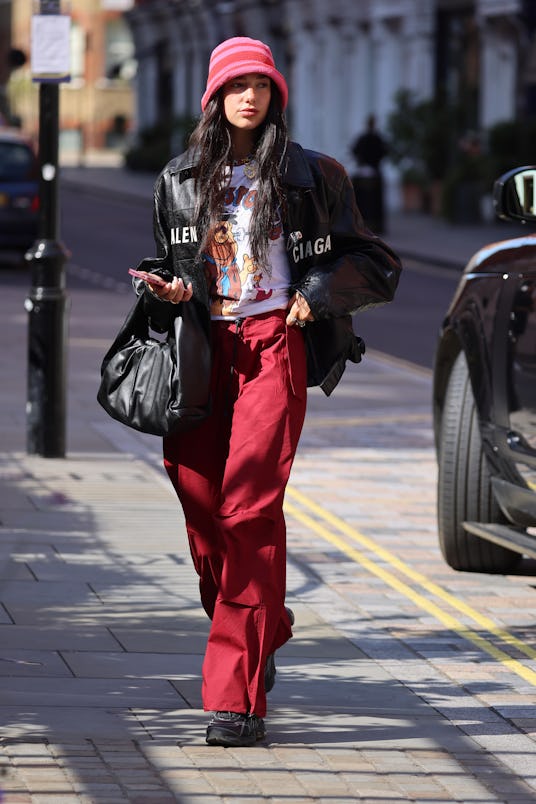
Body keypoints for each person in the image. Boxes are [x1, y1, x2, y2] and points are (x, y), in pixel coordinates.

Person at [133, 37, 402, 747]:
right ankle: (266, 622)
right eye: (236, 84)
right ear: (214, 97)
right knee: (201, 508)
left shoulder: (315, 175)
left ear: (276, 95)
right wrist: (171, 287)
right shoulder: (179, 178)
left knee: (249, 510)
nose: (250, 96)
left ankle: (235, 700)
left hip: (271, 349)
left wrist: (316, 293)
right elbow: (177, 261)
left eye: (262, 84)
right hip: (201, 352)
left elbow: (374, 260)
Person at [351, 114, 389, 234]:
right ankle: (374, 225)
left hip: (366, 171)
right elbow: (383, 152)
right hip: (373, 171)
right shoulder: (377, 138)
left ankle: (364, 225)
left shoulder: (365, 138)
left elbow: (355, 150)